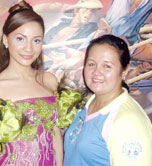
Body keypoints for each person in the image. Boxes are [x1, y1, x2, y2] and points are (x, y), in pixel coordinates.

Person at [0, 1, 62, 165]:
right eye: (20, 39)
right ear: (6, 40)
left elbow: (55, 133)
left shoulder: (49, 81)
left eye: (36, 40)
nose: (28, 49)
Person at [63, 34, 152, 166]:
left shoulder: (128, 122)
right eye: (91, 64)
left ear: (124, 70)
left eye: (107, 66)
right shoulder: (88, 106)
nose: (96, 72)